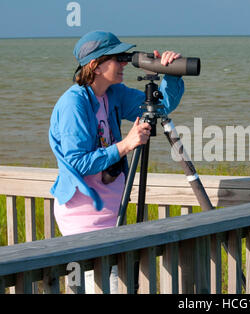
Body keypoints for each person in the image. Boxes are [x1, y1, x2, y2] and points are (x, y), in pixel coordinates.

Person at [48, 30, 184, 293]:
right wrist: (126, 144)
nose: (123, 63)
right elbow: (76, 162)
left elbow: (161, 107)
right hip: (83, 215)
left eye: (124, 57)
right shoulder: (73, 104)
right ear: (95, 66)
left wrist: (172, 74)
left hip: (113, 214)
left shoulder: (112, 94)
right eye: (116, 58)